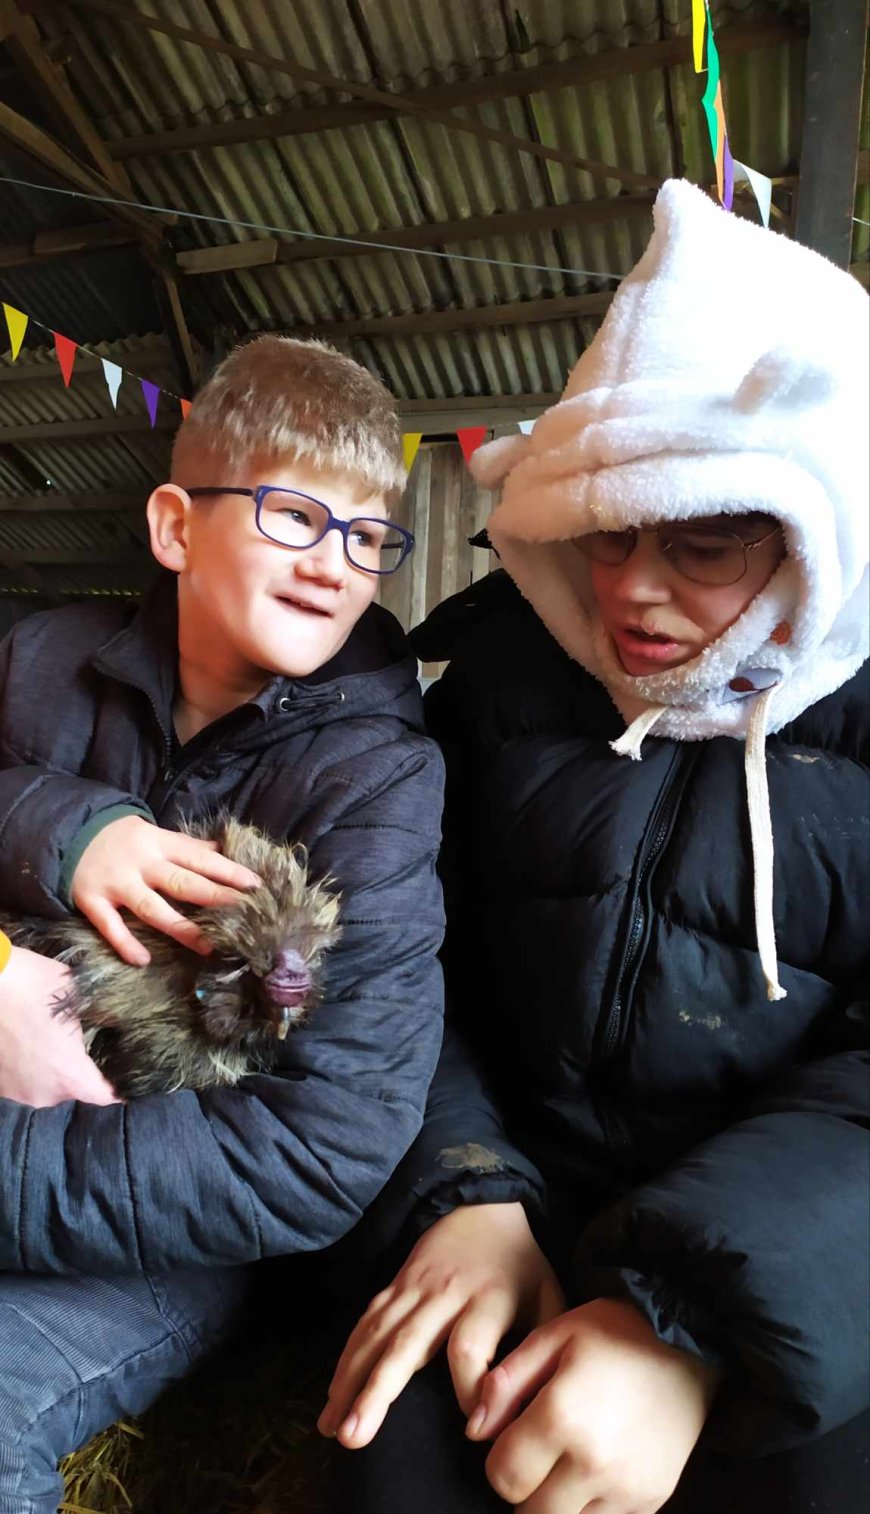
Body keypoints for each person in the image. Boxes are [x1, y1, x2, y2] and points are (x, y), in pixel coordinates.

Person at [318, 181, 870, 1513]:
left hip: (788, 1249)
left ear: (823, 530)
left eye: (705, 536)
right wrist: (460, 1187)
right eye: (605, 526)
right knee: (391, 1472)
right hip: (519, 1200)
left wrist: (680, 1324)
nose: (628, 586)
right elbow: (388, 944)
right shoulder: (493, 682)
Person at [0, 336, 445, 1513]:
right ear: (175, 526)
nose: (337, 565)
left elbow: (321, 1143)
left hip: (158, 1224)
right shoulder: (38, 660)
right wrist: (53, 827)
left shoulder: (375, 779)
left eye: (367, 536)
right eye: (296, 514)